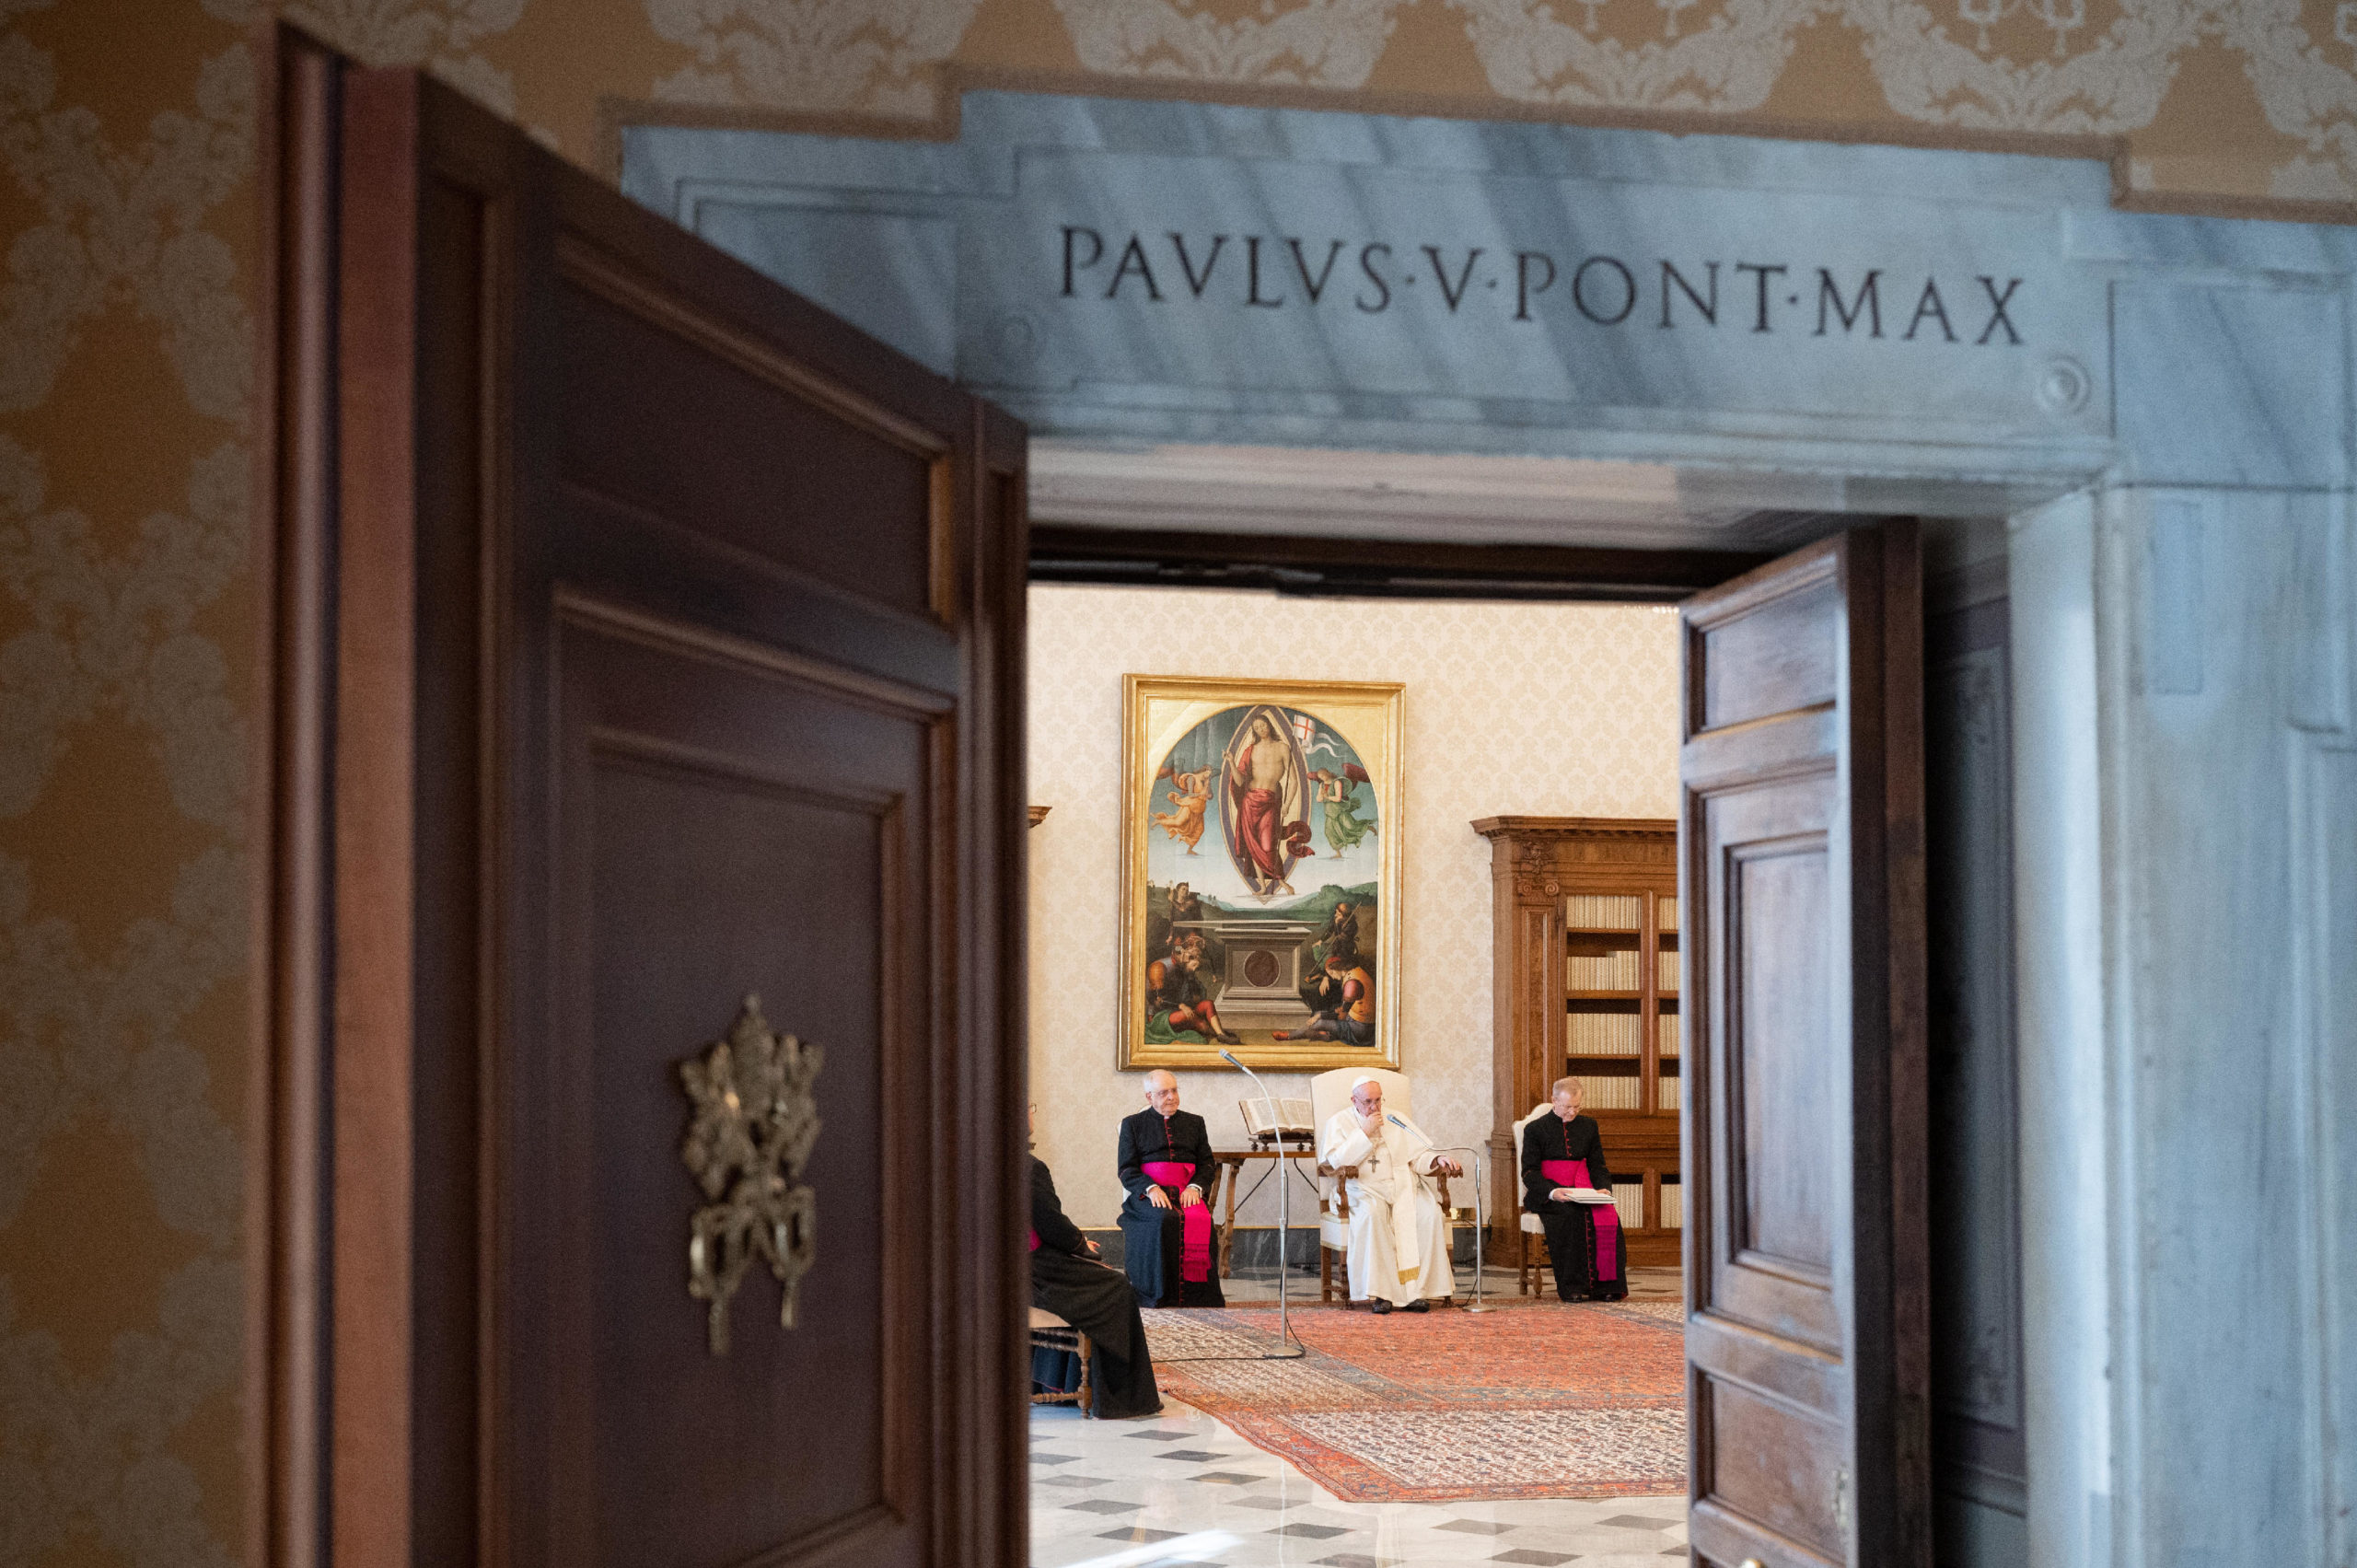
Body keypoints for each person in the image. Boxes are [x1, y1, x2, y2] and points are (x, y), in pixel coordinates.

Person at [1029, 1105, 1163, 1418]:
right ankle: (1120, 1396)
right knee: (1116, 1286)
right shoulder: (1029, 1168)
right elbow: (1051, 1225)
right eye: (1030, 1109)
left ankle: (1055, 1383)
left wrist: (1074, 1244)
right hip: (1035, 1271)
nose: (1033, 1114)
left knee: (1090, 1278)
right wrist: (1079, 1245)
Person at [1317, 1075, 1461, 1313]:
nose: (1375, 1107)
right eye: (1368, 1102)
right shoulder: (1339, 1122)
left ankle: (1417, 1292)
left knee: (1430, 1214)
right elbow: (1337, 1162)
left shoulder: (1395, 1118)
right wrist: (1365, 1133)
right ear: (1354, 1100)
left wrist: (1437, 1159)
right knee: (1372, 1216)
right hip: (1362, 1189)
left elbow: (1418, 1155)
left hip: (1403, 1186)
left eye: (1378, 1100)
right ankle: (1381, 1294)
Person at [1115, 1071, 1225, 1307]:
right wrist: (1150, 1188)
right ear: (1149, 1097)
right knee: (1163, 1218)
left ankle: (1199, 1297)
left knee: (1201, 1218)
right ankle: (1158, 1293)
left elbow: (1207, 1163)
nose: (1171, 1097)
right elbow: (1126, 1169)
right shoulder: (1132, 1124)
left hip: (1186, 1191)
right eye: (1163, 1092)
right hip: (1149, 1194)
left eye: (1174, 1090)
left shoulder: (1195, 1123)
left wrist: (1195, 1187)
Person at [1520, 1076, 1627, 1302]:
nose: (1572, 1112)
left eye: (1577, 1107)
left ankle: (1607, 1286)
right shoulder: (1535, 1129)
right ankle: (1572, 1287)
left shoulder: (1589, 1126)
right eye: (1568, 1107)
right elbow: (1529, 1172)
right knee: (1570, 1216)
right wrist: (1553, 1192)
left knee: (1608, 1216)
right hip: (1548, 1195)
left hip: (1585, 1190)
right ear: (1554, 1101)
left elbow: (1598, 1165)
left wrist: (1603, 1190)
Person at [1142, 933, 1240, 1045]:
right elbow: (1156, 1000)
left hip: (1179, 1011)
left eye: (1196, 957)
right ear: (1181, 953)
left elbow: (1196, 997)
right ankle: (1215, 1033)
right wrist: (1181, 1006)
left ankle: (1220, 1034)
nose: (1195, 960)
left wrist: (1191, 980)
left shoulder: (1185, 969)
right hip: (1160, 1017)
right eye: (1192, 957)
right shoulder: (1159, 968)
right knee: (1195, 1019)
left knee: (1208, 1004)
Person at [1277, 950, 1374, 1045]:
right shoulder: (1354, 972)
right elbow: (1345, 1009)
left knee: (1319, 1023)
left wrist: (1320, 1016)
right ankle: (1326, 1034)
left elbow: (1342, 1015)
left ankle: (1290, 1036)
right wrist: (1321, 1015)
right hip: (1354, 1019)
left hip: (1360, 1028)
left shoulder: (1351, 983)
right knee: (1318, 1015)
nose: (1333, 977)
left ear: (1337, 968)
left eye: (1331, 974)